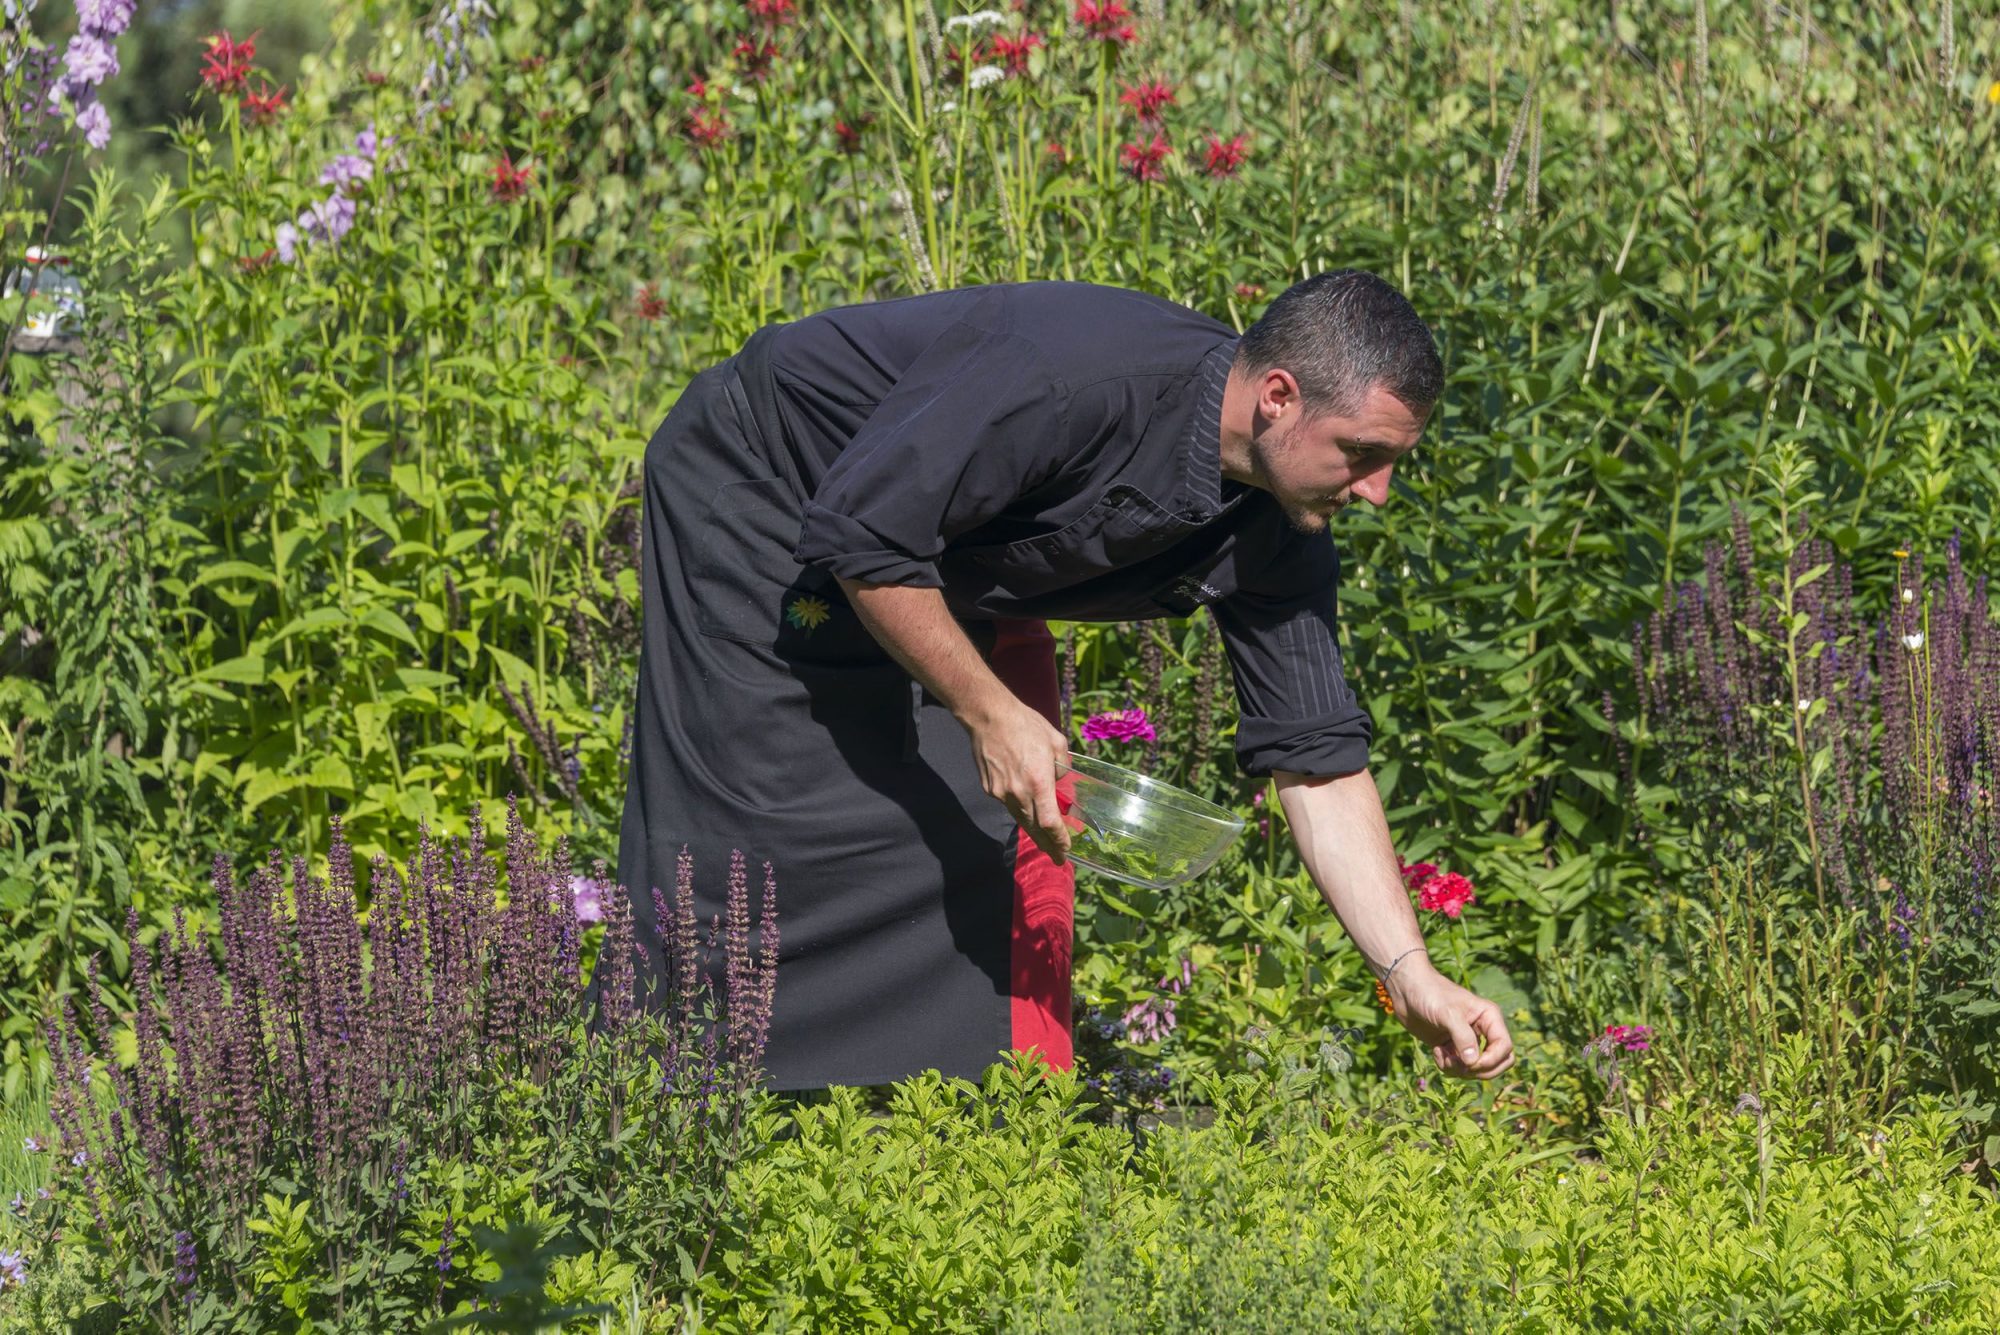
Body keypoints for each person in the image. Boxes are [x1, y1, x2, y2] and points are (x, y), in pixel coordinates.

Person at [616, 272, 1516, 1089]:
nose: (1378, 491)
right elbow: (868, 534)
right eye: (1362, 452)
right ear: (1279, 398)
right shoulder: (1071, 374)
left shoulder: (1284, 524)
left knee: (971, 832)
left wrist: (1412, 973)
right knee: (761, 819)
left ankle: (914, 1148)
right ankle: (682, 1114)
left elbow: (1316, 759)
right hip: (765, 480)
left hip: (919, 547)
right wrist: (985, 707)